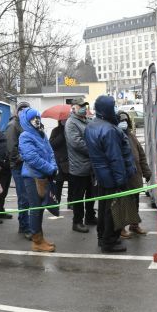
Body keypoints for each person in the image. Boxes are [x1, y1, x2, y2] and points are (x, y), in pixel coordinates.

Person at [85, 95, 135, 253]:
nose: (115, 109)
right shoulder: (109, 130)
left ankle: (102, 237)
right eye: (113, 106)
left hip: (101, 175)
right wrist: (121, 180)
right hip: (113, 176)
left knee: (104, 208)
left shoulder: (92, 125)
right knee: (114, 211)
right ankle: (109, 242)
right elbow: (115, 158)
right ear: (106, 108)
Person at [19, 107, 58, 252]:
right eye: (33, 118)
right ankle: (37, 241)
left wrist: (53, 166)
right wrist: (50, 169)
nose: (36, 120)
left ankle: (40, 238)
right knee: (36, 209)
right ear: (27, 121)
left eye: (37, 117)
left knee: (40, 209)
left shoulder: (41, 133)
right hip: (32, 177)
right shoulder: (25, 136)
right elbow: (32, 158)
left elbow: (50, 152)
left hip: (43, 176)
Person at [65, 97, 97, 234]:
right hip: (78, 167)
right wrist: (94, 149)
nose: (84, 108)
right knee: (78, 196)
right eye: (81, 106)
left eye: (85, 106)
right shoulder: (71, 123)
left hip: (90, 166)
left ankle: (90, 216)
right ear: (74, 108)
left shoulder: (87, 120)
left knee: (91, 194)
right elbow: (77, 143)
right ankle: (77, 222)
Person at [117, 110, 151, 237]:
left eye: (125, 120)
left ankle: (134, 225)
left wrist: (146, 172)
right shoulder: (115, 136)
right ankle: (121, 228)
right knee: (122, 203)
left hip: (135, 176)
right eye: (121, 121)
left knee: (135, 202)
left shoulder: (132, 136)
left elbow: (141, 155)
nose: (124, 123)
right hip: (123, 177)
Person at [5, 101, 33, 239]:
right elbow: (11, 149)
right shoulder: (13, 125)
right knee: (24, 197)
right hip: (19, 166)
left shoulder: (25, 124)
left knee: (28, 197)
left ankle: (25, 225)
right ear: (17, 111)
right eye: (22, 109)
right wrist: (23, 157)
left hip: (26, 165)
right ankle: (24, 226)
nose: (24, 112)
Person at [49, 118, 69, 204]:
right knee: (58, 184)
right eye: (63, 120)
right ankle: (57, 202)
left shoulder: (71, 129)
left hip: (70, 161)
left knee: (72, 183)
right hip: (59, 162)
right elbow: (52, 144)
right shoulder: (56, 130)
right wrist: (62, 135)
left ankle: (70, 203)